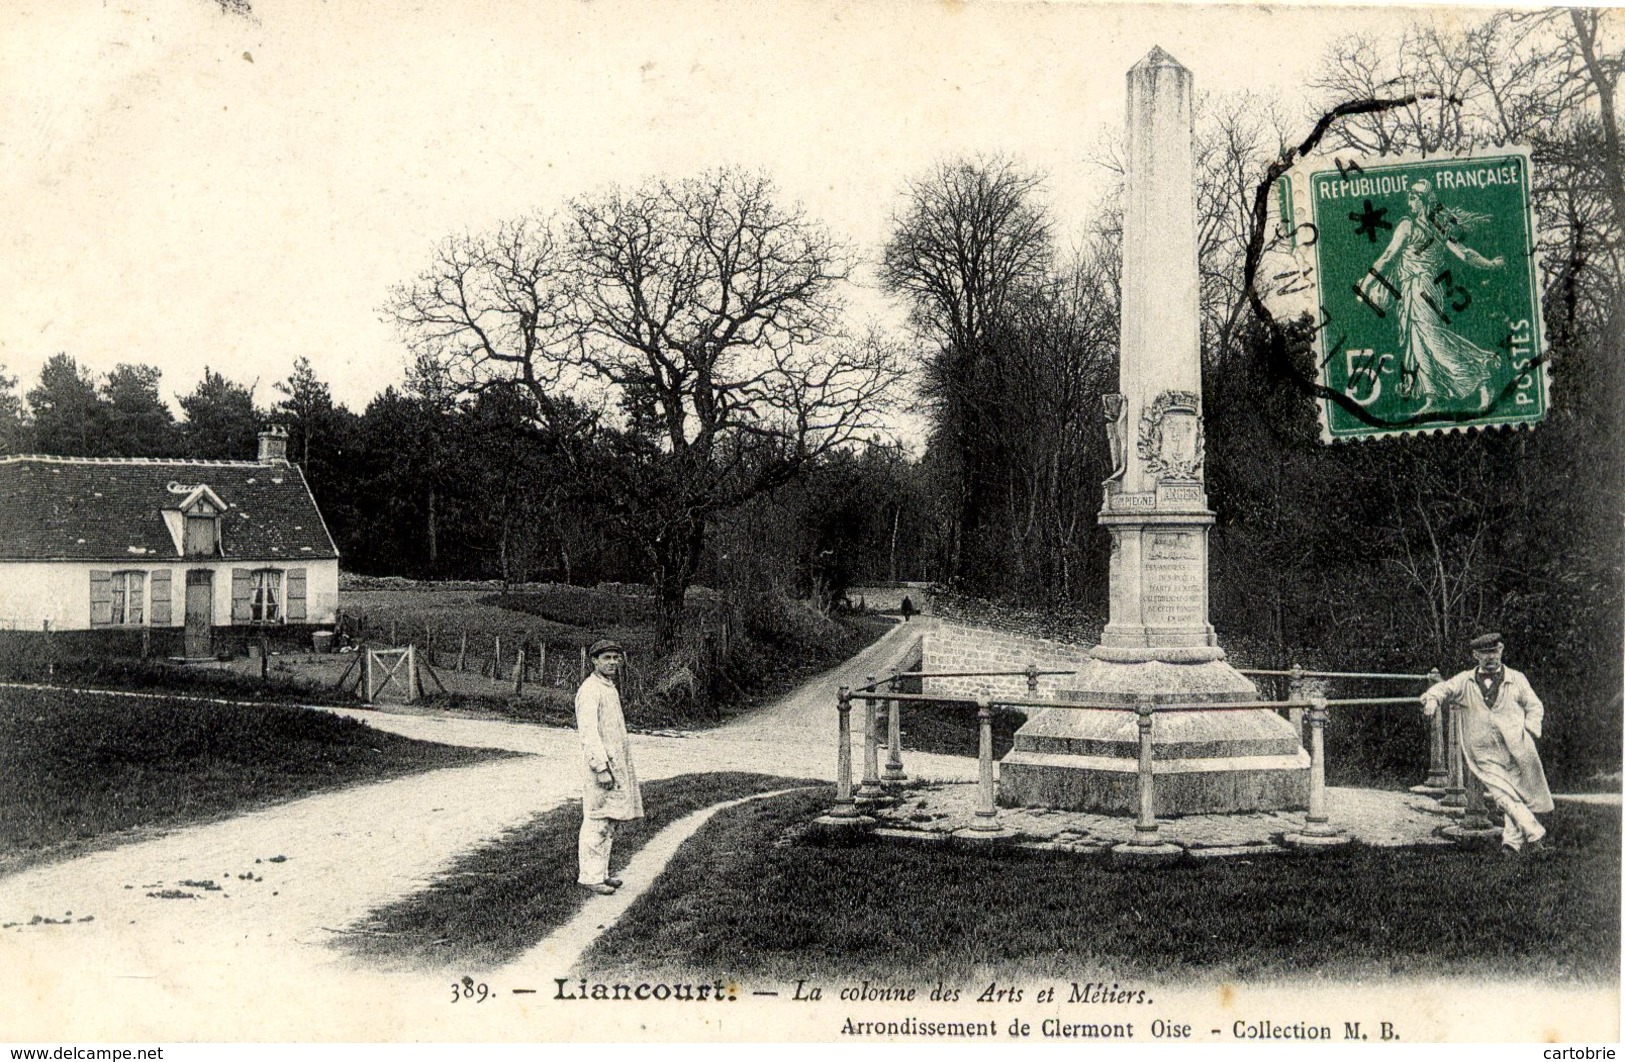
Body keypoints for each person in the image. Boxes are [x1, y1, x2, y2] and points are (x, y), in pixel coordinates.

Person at [1358, 180, 1506, 413]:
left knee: (1434, 341)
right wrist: (1491, 264)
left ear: (1424, 201)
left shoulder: (1418, 226)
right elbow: (1463, 253)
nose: (1410, 202)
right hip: (1412, 289)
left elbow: (1464, 254)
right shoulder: (1426, 226)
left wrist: (1366, 284)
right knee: (1418, 343)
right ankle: (1434, 396)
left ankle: (1481, 377)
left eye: (1414, 198)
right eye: (1409, 198)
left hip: (1423, 287)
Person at [1422, 632, 1553, 854]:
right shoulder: (1465, 680)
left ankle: (1510, 845)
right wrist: (1432, 700)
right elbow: (1442, 688)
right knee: (1502, 796)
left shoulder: (1517, 678)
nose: (1490, 657)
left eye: (1494, 651)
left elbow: (1535, 706)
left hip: (1517, 748)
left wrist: (1529, 730)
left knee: (1514, 794)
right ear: (1475, 655)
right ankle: (1535, 834)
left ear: (1501, 650)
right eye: (1484, 653)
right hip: (1483, 752)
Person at [575, 638, 644, 894]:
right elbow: (589, 733)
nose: (613, 662)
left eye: (616, 657)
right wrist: (601, 767)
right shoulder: (590, 689)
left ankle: (601, 873)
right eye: (607, 658)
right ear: (594, 661)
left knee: (610, 820)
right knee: (597, 820)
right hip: (601, 767)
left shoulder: (608, 687)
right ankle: (590, 877)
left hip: (615, 763)